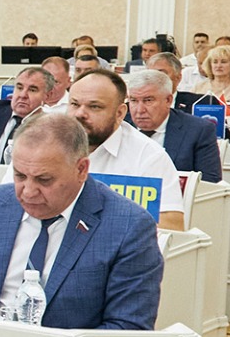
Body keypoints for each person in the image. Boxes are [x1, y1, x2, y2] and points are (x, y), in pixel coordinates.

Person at [0, 113, 163, 329]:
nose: (28, 192)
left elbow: (127, 328)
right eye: (20, 176)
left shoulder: (129, 227)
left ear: (81, 169)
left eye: (44, 179)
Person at [69, 69, 186, 229]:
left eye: (94, 106)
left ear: (120, 113)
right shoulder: (49, 144)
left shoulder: (148, 156)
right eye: (74, 104)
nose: (80, 113)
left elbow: (171, 225)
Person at [125, 68, 222, 184]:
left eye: (148, 100)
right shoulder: (117, 127)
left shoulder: (199, 130)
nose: (140, 110)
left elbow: (209, 181)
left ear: (168, 100)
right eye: (134, 101)